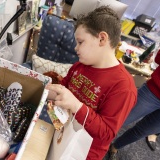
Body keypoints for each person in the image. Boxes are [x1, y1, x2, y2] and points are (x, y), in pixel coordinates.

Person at [46, 6, 137, 160]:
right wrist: (46, 90)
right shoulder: (80, 65)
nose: (76, 48)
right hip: (60, 133)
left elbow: (107, 133)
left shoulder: (124, 87)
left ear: (102, 39)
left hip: (83, 152)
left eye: (80, 42)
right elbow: (64, 88)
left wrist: (76, 105)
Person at [108, 44, 160, 159]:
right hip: (155, 92)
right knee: (119, 119)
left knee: (142, 131)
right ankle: (93, 142)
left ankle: (115, 147)